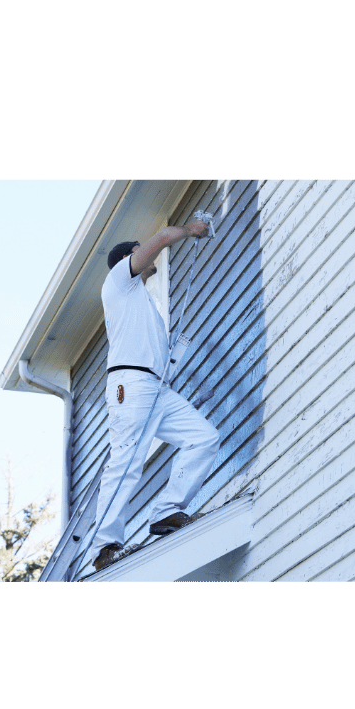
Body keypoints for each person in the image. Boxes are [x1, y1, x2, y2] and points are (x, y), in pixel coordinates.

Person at [87, 217, 220, 573]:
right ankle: (105, 545)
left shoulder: (142, 302)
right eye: (139, 252)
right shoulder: (118, 283)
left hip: (158, 390)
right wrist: (192, 230)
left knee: (203, 438)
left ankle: (166, 512)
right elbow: (161, 238)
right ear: (132, 256)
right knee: (127, 462)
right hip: (130, 386)